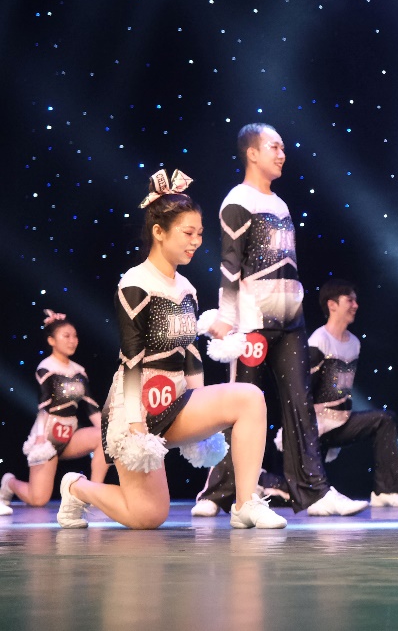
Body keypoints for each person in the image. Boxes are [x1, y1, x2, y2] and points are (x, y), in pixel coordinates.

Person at [52, 170, 285, 529]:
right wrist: (135, 426)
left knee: (250, 397)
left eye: (200, 234)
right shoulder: (135, 283)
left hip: (176, 401)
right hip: (137, 407)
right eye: (188, 233)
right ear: (159, 232)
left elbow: (191, 355)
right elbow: (130, 359)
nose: (196, 242)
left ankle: (245, 503)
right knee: (148, 516)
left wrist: (202, 416)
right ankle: (77, 488)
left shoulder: (187, 288)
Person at [195, 124, 365, 517]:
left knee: (301, 405)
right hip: (253, 321)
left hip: (291, 321)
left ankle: (315, 493)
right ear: (252, 153)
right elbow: (230, 264)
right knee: (241, 404)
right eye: (274, 147)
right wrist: (227, 316)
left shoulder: (282, 205)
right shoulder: (238, 200)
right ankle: (219, 492)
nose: (282, 154)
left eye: (283, 147)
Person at [269, 280, 398, 507]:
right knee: (295, 494)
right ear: (332, 305)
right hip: (314, 426)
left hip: (341, 421)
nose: (355, 305)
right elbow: (302, 390)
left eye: (356, 300)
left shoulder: (354, 343)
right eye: (350, 300)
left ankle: (386, 490)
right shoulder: (319, 341)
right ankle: (265, 484)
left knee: (385, 420)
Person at [1, 312, 110, 513]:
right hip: (48, 435)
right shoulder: (46, 368)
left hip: (70, 434)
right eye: (66, 336)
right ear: (51, 340)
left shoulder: (79, 371)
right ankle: (9, 483)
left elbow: (91, 406)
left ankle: (95, 493)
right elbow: (44, 406)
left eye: (75, 336)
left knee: (104, 437)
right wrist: (40, 437)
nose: (72, 340)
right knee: (38, 499)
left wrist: (110, 433)